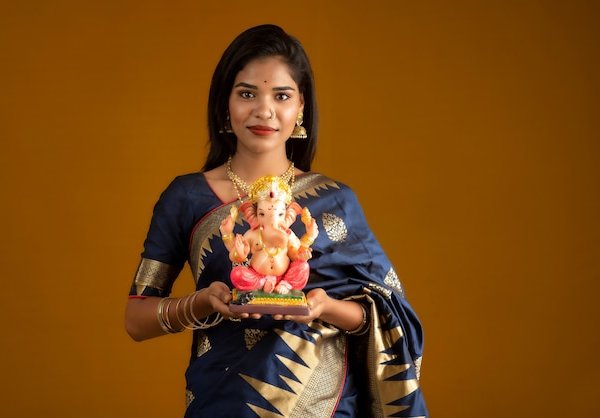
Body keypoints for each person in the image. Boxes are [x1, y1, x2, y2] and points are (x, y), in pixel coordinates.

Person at [125, 24, 428, 417]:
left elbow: (386, 313)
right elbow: (136, 318)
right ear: (225, 104)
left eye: (281, 95)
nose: (263, 110)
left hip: (327, 407)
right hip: (225, 401)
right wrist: (201, 303)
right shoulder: (186, 198)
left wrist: (323, 307)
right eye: (247, 93)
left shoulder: (335, 200)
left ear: (300, 107)